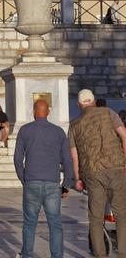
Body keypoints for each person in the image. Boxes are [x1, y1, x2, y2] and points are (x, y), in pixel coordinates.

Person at [68, 88, 126, 258]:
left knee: (96, 218)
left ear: (79, 105)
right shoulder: (109, 113)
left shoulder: (74, 124)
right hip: (115, 168)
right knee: (122, 213)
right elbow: (124, 135)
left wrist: (77, 178)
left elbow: (74, 154)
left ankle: (100, 255)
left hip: (92, 173)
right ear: (93, 101)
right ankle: (122, 253)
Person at [13, 99, 74, 258]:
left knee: (29, 223)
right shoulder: (58, 132)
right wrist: (66, 185)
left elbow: (18, 159)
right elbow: (67, 160)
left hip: (32, 181)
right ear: (48, 112)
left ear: (34, 111)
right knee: (55, 224)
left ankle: (27, 254)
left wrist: (24, 179)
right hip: (52, 183)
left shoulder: (25, 130)